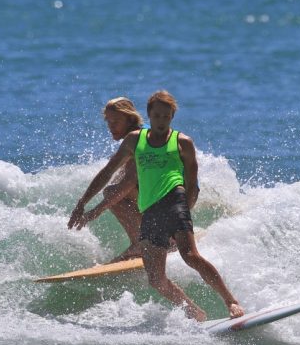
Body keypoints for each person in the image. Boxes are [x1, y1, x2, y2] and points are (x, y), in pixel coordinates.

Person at [68, 90, 245, 322]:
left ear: (172, 116)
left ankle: (231, 301)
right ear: (149, 115)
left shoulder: (182, 142)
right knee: (156, 280)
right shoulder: (135, 141)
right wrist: (82, 203)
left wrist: (185, 211)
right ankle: (196, 313)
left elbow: (192, 184)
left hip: (174, 202)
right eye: (157, 116)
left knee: (190, 256)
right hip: (151, 210)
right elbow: (107, 172)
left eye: (166, 116)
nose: (161, 121)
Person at [85, 97, 145, 262]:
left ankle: (140, 243)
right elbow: (108, 172)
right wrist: (82, 203)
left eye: (116, 121)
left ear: (130, 119)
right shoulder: (144, 132)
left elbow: (129, 183)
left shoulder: (137, 139)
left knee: (112, 192)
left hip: (168, 200)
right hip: (176, 199)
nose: (111, 126)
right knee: (118, 178)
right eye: (109, 122)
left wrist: (95, 211)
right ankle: (160, 237)